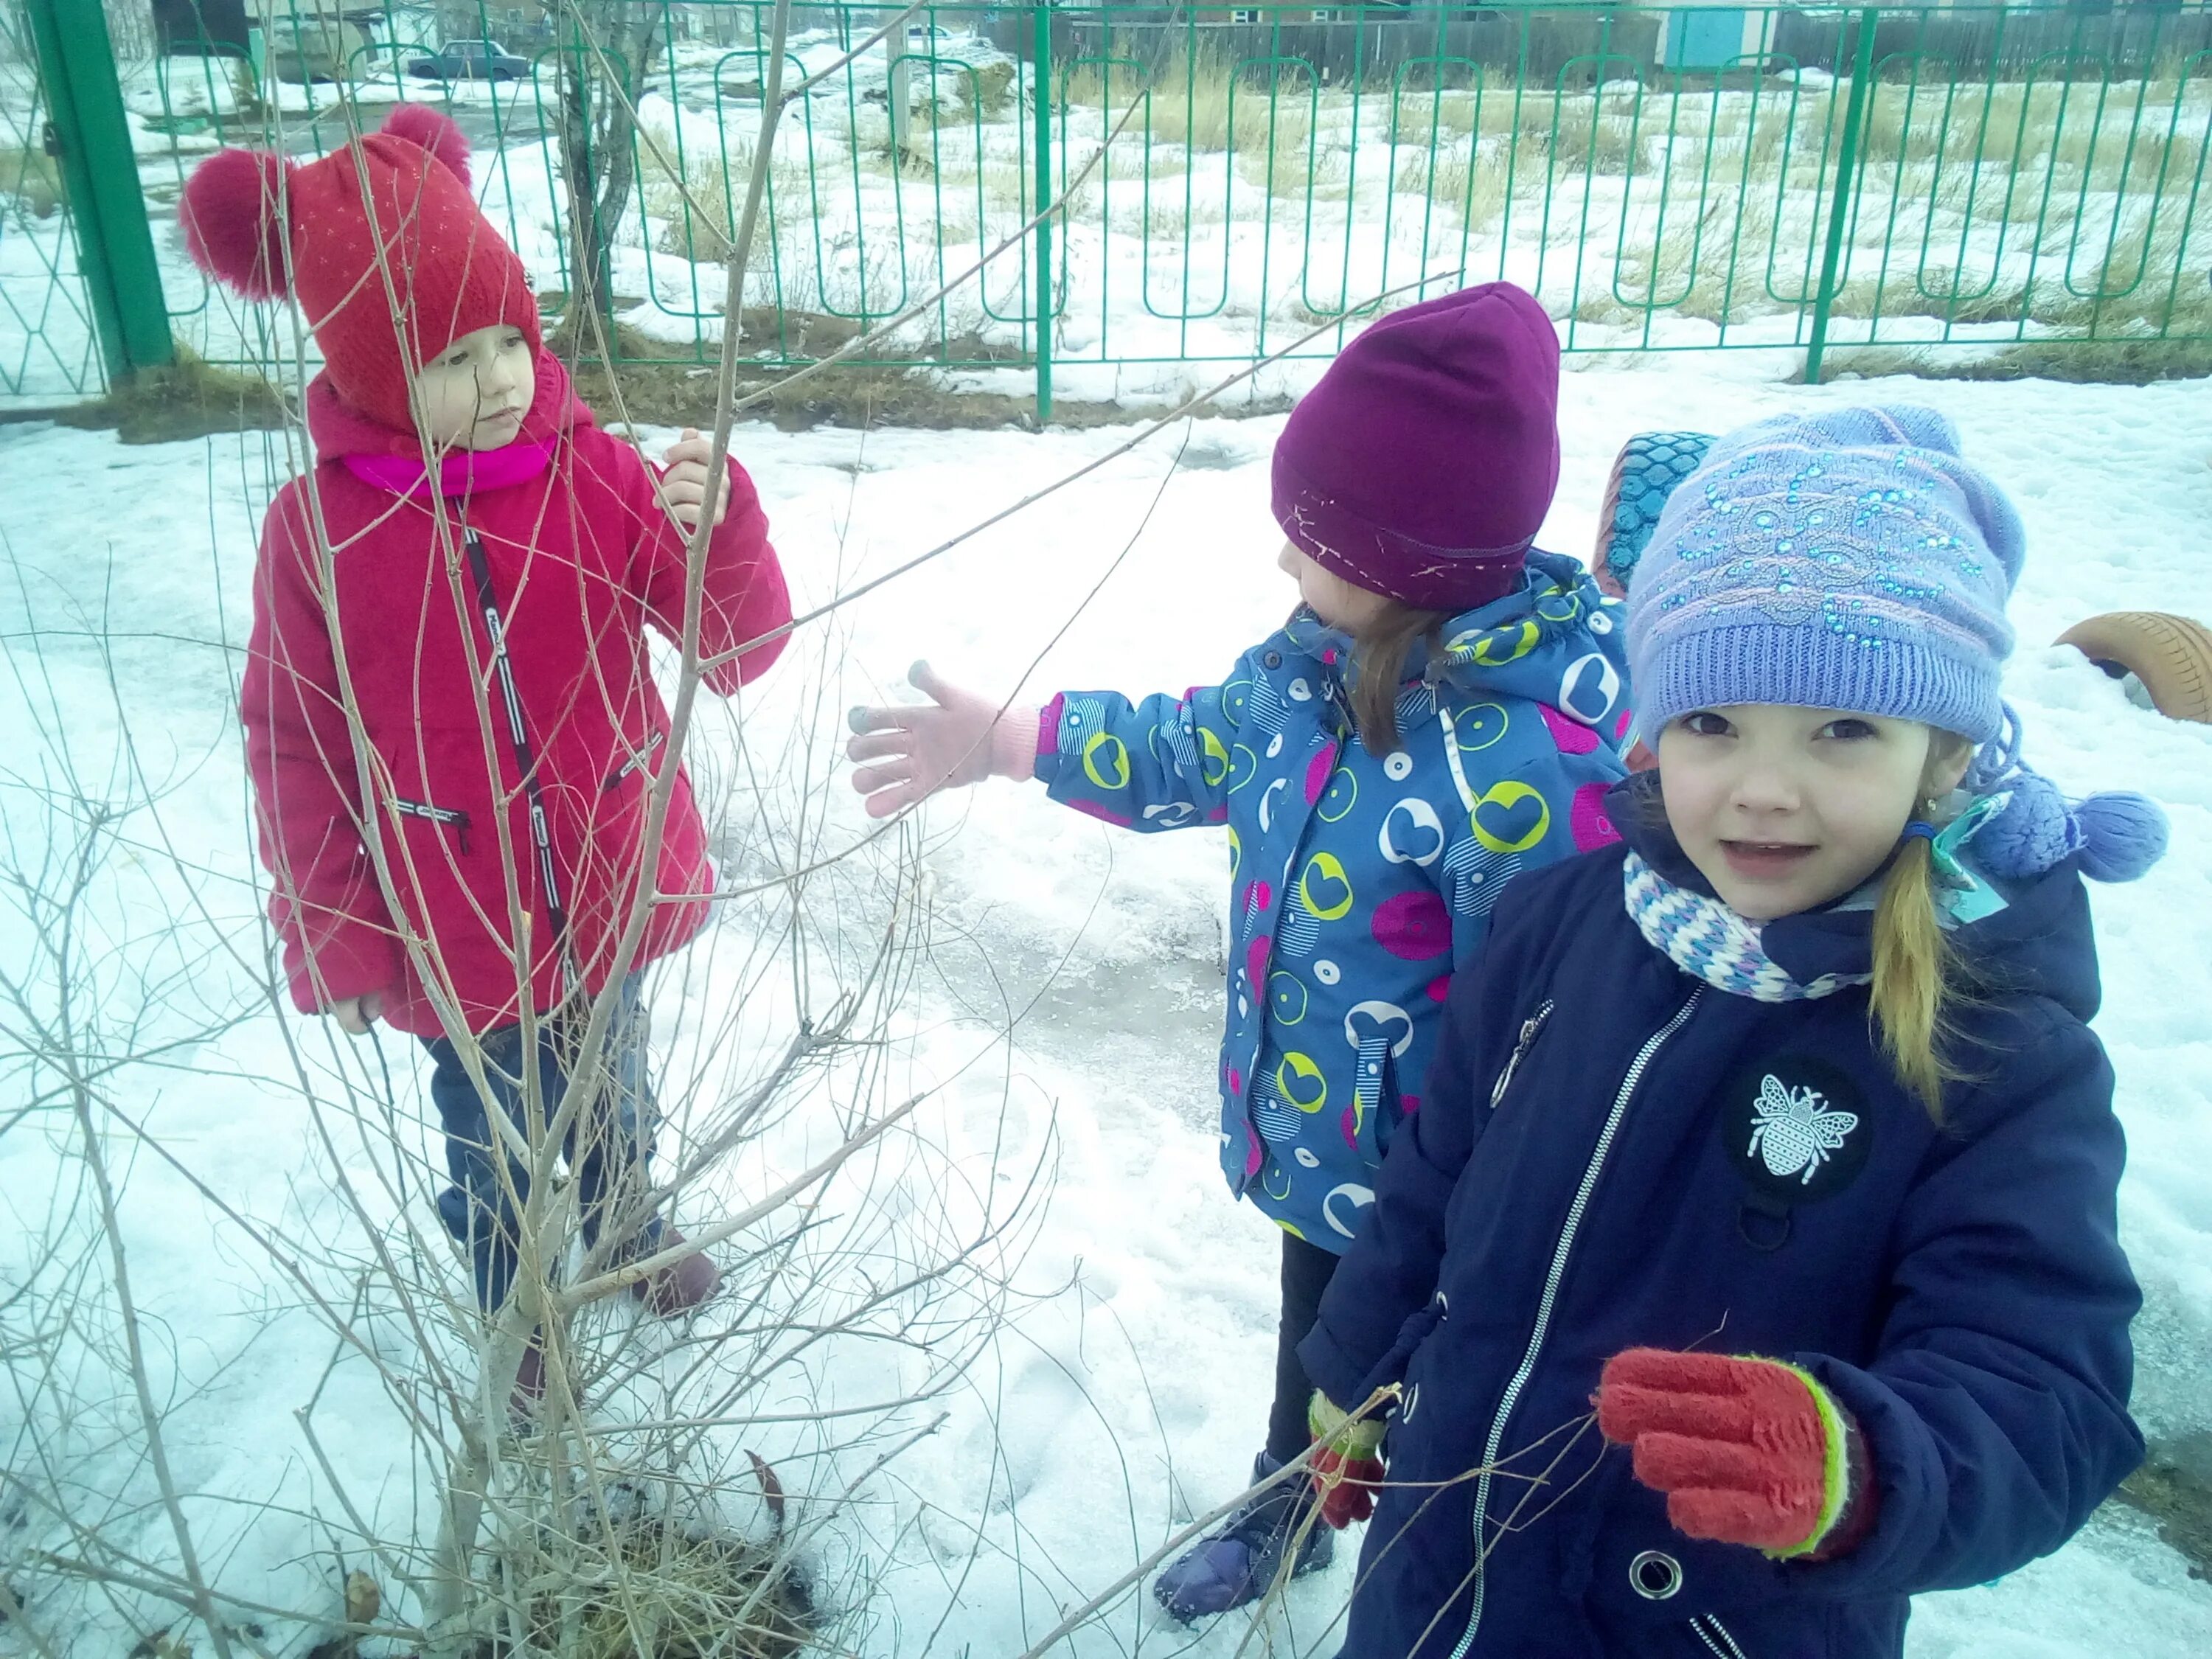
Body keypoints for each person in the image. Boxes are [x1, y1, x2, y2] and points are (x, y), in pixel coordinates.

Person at [1298, 406, 2163, 1658]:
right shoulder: (1562, 924)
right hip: (1439, 1572)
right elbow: (1435, 1176)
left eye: (1843, 731)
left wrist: (1864, 1466)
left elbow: (2045, 1382)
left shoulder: (1992, 1043)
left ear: (1943, 753)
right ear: (1656, 730)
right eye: (1714, 724)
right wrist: (1358, 1368)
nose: (1765, 786)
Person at [844, 283, 1632, 1618]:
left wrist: (1502, 1195)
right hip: (1325, 1156)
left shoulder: (1532, 774)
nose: (1285, 565)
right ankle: (1289, 1509)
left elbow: (1558, 1029)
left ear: (1406, 561)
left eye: (1309, 539)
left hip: (1460, 1198)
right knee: (1316, 1349)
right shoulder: (1312, 667)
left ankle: (1452, 1571)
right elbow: (1191, 746)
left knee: (1455, 1401)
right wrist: (1010, 742)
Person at [182, 107, 792, 1403]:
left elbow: (733, 650)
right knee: (493, 1143)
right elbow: (293, 742)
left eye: (513, 334)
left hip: (608, 877)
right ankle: (521, 1312)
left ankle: (626, 1226)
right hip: (456, 927)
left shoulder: (595, 472)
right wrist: (333, 931)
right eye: (458, 357)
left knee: (618, 1086)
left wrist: (720, 529)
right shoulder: (322, 536)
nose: (505, 375)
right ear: (369, 371)